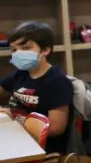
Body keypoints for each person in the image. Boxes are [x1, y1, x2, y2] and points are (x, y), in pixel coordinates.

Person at [0, 22, 72, 154]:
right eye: (14, 50)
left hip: (41, 147)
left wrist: (18, 124)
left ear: (45, 50)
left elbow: (56, 128)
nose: (18, 54)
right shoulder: (20, 74)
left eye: (26, 48)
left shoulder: (57, 82)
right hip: (19, 137)